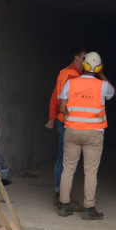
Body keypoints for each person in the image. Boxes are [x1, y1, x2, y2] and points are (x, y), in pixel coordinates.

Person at [57, 51, 115, 220]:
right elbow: (113, 93)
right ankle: (89, 209)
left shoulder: (71, 83)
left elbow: (61, 109)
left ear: (84, 65)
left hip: (72, 130)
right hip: (94, 133)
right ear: (98, 67)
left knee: (68, 170)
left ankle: (63, 205)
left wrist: (74, 118)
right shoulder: (103, 85)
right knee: (90, 172)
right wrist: (101, 74)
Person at [45, 49, 87, 207]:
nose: (87, 60)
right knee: (67, 161)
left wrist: (52, 117)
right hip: (69, 122)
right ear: (77, 58)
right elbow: (68, 101)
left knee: (62, 158)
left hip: (62, 121)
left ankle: (59, 191)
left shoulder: (64, 72)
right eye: (84, 57)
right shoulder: (74, 76)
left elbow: (55, 95)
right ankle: (63, 195)